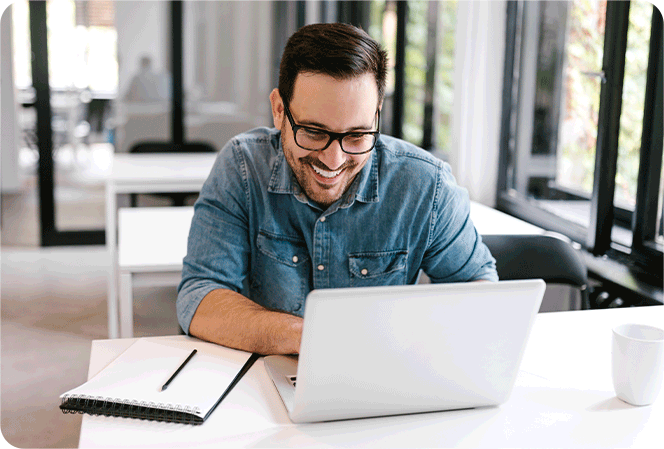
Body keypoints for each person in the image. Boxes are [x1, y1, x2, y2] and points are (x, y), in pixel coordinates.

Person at [177, 23, 497, 355]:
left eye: (357, 135)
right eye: (314, 132)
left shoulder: (426, 185)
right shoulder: (243, 167)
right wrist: (315, 339)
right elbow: (200, 296)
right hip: (266, 385)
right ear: (278, 110)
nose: (334, 160)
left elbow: (479, 289)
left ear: (376, 117)